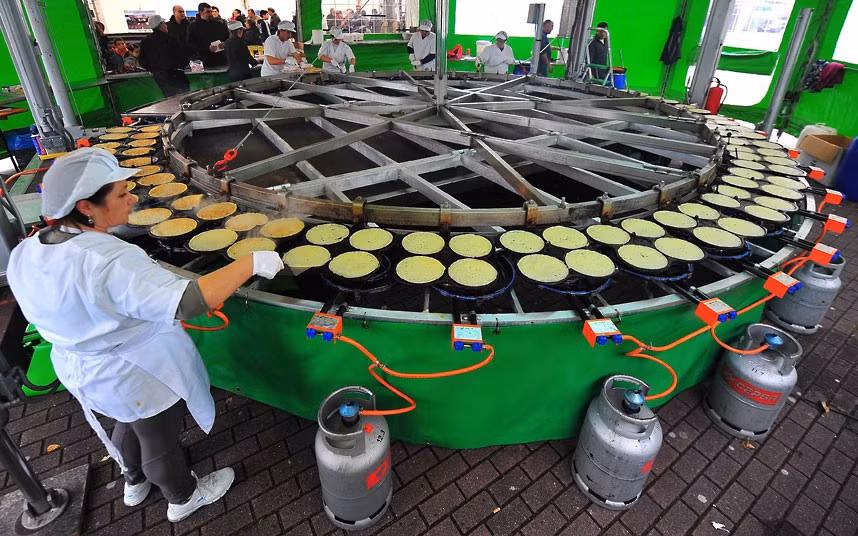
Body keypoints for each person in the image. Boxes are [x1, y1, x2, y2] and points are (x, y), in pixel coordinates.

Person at [7, 149, 286, 523]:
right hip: (134, 369)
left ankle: (134, 480)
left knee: (128, 422)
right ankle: (182, 497)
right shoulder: (107, 260)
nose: (133, 199)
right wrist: (251, 262)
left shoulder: (29, 249)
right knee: (159, 441)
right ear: (86, 206)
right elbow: (188, 301)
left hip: (84, 366)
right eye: (122, 194)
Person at [139, 14, 191, 97]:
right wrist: (183, 65)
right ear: (160, 25)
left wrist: (154, 69)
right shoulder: (171, 40)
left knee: (170, 99)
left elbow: (142, 61)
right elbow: (182, 56)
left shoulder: (146, 41)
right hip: (175, 74)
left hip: (160, 76)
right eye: (164, 23)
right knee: (184, 98)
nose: (166, 25)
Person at [187, 2, 230, 68]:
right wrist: (207, 48)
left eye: (211, 11)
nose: (210, 14)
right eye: (208, 12)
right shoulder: (193, 26)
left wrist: (225, 43)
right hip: (204, 60)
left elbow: (227, 37)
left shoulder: (219, 24)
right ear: (201, 12)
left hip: (221, 59)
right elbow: (191, 43)